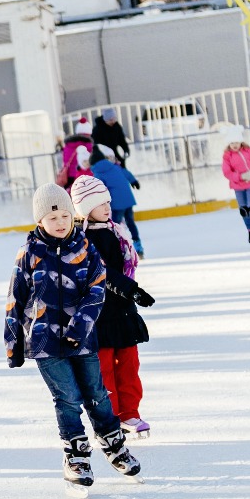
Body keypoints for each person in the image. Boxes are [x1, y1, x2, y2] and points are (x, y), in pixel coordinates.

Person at [4, 183, 142, 495]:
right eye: (53, 218)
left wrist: (80, 328)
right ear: (40, 221)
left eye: (65, 215)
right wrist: (12, 343)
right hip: (44, 342)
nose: (61, 222)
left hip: (83, 338)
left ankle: (115, 447)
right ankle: (76, 458)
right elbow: (15, 297)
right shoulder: (28, 254)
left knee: (97, 393)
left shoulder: (84, 248)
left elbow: (96, 289)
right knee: (67, 398)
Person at [70, 176, 155, 438]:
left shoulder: (113, 230)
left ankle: (130, 412)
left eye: (107, 201)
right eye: (99, 203)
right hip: (100, 314)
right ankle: (111, 417)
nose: (107, 207)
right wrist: (132, 290)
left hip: (122, 310)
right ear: (85, 209)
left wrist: (130, 293)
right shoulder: (84, 239)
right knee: (104, 369)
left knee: (129, 365)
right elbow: (101, 272)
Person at [220, 125, 250, 244]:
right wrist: (240, 177)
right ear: (228, 144)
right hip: (238, 185)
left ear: (241, 141)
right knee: (243, 209)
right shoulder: (227, 156)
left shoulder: (248, 151)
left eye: (237, 142)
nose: (235, 145)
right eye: (232, 143)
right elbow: (227, 172)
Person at [90, 144, 143, 256]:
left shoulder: (98, 173)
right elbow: (126, 173)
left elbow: (100, 189)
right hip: (128, 200)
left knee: (113, 226)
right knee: (130, 222)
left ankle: (116, 248)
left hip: (117, 204)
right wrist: (134, 181)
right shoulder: (115, 166)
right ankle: (138, 245)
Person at [59, 119, 95, 189]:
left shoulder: (68, 144)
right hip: (83, 175)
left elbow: (65, 160)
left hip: (69, 176)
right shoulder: (88, 144)